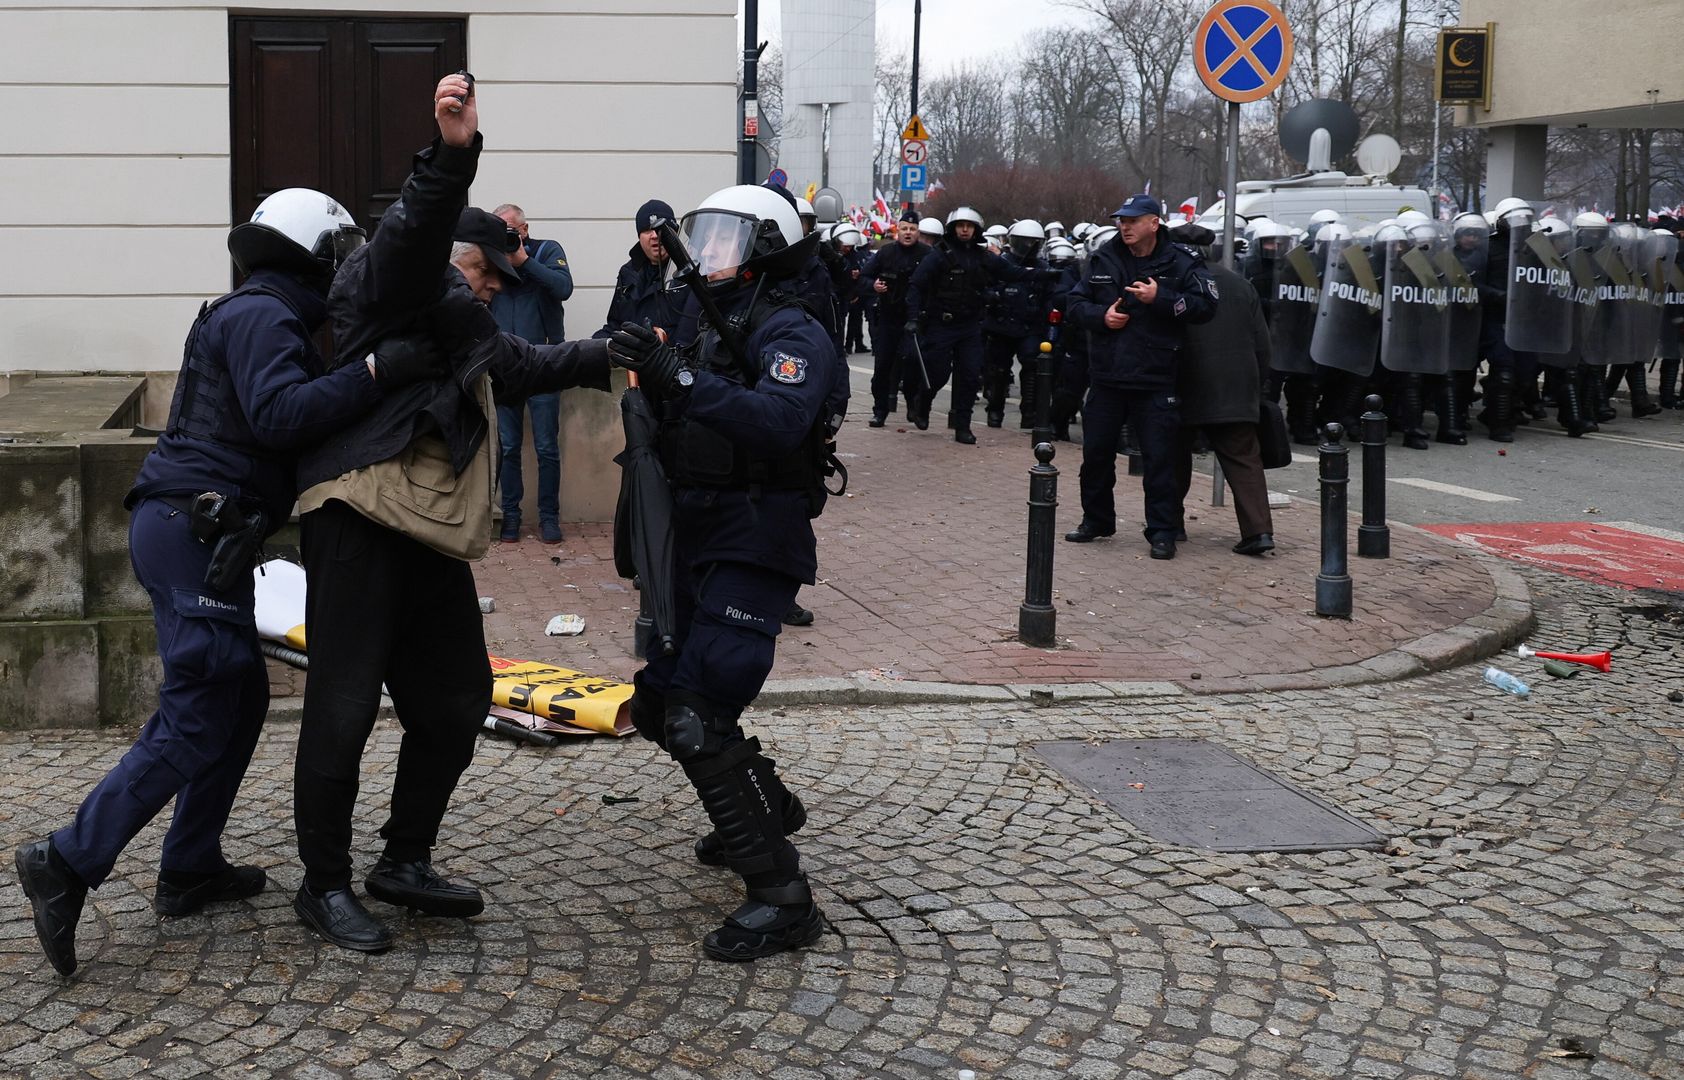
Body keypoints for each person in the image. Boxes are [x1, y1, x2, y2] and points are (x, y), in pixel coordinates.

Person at [12, 188, 443, 976]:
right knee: (203, 703)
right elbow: (280, 416)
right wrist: (377, 370)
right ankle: (65, 861)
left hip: (205, 528)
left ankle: (189, 867)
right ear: (313, 254)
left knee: (239, 697)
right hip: (194, 527)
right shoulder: (265, 315)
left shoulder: (259, 311)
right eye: (338, 258)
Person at [288, 73, 615, 954]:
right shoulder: (388, 279)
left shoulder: (463, 324)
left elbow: (522, 362)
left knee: (459, 697)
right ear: (455, 259)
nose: (493, 293)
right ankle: (322, 886)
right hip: (359, 509)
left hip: (424, 527)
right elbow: (415, 228)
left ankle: (403, 860)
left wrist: (616, 353)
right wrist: (455, 153)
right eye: (485, 277)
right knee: (345, 707)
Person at [606, 183, 841, 962]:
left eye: (723, 241)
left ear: (765, 249)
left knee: (697, 710)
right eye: (699, 239)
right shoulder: (698, 318)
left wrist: (678, 377)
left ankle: (782, 893)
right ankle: (764, 802)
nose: (705, 254)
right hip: (694, 529)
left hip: (756, 530)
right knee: (664, 695)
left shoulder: (792, 329)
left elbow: (777, 421)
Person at [1064, 194, 1216, 560]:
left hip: (1156, 377)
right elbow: (1073, 304)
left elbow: (1206, 306)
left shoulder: (1181, 261)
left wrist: (1159, 297)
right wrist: (1101, 317)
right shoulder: (1103, 258)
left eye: (1133, 220)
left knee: (1159, 459)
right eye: (1122, 220)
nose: (1125, 226)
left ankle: (1162, 531)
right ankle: (1097, 520)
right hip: (1107, 374)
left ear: (1154, 222)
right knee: (1096, 454)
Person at [904, 207, 1060, 443]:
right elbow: (916, 285)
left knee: (969, 375)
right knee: (937, 374)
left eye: (969, 226)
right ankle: (922, 402)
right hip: (942, 324)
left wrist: (1046, 275)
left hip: (970, 326)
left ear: (976, 229)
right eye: (960, 225)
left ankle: (963, 426)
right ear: (953, 228)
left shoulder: (983, 256)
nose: (965, 230)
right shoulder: (939, 255)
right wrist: (913, 318)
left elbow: (1012, 272)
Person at [1169, 223, 1276, 556]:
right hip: (1236, 386)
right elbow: (1262, 344)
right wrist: (1258, 386)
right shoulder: (1240, 285)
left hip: (1184, 382)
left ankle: (1170, 524)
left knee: (1172, 456)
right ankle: (1258, 532)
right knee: (1244, 460)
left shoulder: (1169, 285)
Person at [489, 203, 575, 543]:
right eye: (500, 231)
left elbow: (563, 288)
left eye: (510, 229)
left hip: (543, 362)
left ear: (524, 230)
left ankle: (549, 518)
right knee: (508, 447)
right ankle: (511, 516)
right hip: (504, 366)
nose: (506, 237)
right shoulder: (490, 260)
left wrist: (524, 261)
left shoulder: (547, 250)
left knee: (546, 447)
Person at [861, 210, 930, 426]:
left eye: (912, 229)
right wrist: (873, 286)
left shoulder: (928, 255)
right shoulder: (885, 253)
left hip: (915, 321)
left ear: (918, 232)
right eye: (904, 228)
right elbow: (864, 277)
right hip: (888, 319)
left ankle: (912, 405)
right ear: (897, 230)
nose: (908, 233)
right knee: (882, 367)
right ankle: (880, 410)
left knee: (912, 364)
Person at [981, 219, 1051, 429]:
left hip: (1030, 326)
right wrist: (992, 297)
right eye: (1024, 242)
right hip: (1001, 324)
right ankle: (995, 410)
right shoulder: (1000, 263)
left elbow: (1050, 297)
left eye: (1033, 242)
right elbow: (983, 286)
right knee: (999, 370)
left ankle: (1029, 412)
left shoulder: (1042, 268)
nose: (1028, 247)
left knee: (1032, 368)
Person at [594, 199, 688, 340]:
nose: (655, 236)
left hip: (671, 359)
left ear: (674, 233)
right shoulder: (627, 273)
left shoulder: (689, 274)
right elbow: (615, 325)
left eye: (660, 229)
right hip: (631, 358)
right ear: (639, 236)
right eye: (647, 230)